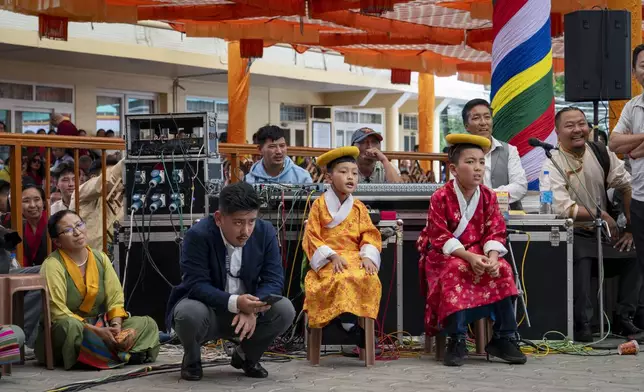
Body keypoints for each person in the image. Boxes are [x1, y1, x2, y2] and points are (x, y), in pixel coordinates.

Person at [167, 182, 295, 381]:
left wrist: (252, 307)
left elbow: (274, 279)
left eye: (251, 221)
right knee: (187, 313)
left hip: (248, 310)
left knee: (285, 309)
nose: (246, 230)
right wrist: (236, 303)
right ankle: (192, 358)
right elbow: (196, 284)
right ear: (219, 218)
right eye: (238, 222)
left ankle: (246, 357)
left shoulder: (265, 232)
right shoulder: (198, 235)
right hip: (208, 309)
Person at [417, 134, 526, 367]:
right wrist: (469, 256)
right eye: (470, 162)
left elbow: (496, 231)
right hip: (446, 256)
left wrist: (493, 258)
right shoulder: (440, 197)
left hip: (479, 253)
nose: (477, 168)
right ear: (454, 169)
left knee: (504, 270)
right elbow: (439, 236)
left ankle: (503, 337)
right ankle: (456, 339)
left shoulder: (488, 196)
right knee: (457, 269)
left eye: (481, 162)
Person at [544, 107, 643, 341]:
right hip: (574, 234)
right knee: (582, 255)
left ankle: (623, 318)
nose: (578, 130)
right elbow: (561, 207)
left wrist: (630, 228)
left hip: (605, 234)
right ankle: (583, 323)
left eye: (582, 123)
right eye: (570, 126)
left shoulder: (600, 152)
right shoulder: (552, 163)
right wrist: (597, 213)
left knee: (636, 250)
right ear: (557, 132)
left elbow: (626, 185)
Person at [35, 210, 159, 369]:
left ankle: (104, 354)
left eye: (79, 224)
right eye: (68, 230)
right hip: (72, 329)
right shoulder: (52, 265)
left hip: (100, 324)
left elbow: (115, 297)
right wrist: (95, 331)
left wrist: (116, 325)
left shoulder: (100, 258)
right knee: (70, 327)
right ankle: (121, 354)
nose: (77, 232)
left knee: (147, 323)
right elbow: (56, 311)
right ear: (57, 242)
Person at [302, 146, 381, 345]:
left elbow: (369, 234)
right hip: (329, 259)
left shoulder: (359, 207)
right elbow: (311, 236)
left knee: (367, 277)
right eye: (343, 172)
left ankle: (349, 323)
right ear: (329, 178)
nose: (350, 177)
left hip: (355, 256)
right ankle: (347, 325)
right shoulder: (318, 205)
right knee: (341, 276)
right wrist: (331, 256)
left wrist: (367, 256)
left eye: (354, 173)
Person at [462, 99, 527, 209]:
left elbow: (520, 186)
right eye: (476, 118)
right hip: (469, 217)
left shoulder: (509, 150)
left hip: (506, 219)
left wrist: (486, 196)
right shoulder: (459, 153)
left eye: (487, 117)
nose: (483, 122)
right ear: (466, 126)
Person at [71, 158, 124, 252]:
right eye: (110, 174)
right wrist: (128, 160)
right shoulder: (81, 194)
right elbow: (107, 180)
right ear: (93, 178)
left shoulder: (125, 202)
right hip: (88, 261)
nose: (116, 181)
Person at [245, 126, 312, 184]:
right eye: (272, 146)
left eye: (282, 146)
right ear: (260, 150)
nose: (279, 151)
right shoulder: (249, 179)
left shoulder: (302, 177)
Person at [22, 184, 48, 267]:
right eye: (26, 201)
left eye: (37, 200)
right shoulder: (19, 227)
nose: (32, 205)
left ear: (43, 203)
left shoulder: (54, 223)